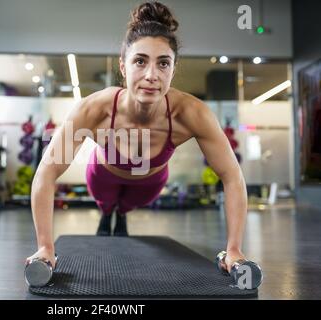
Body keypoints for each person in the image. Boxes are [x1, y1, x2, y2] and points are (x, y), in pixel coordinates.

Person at [27, 1, 248, 274]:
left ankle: (120, 213)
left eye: (163, 63)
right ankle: (108, 212)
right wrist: (45, 246)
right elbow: (46, 173)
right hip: (104, 174)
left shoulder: (191, 113)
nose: (151, 75)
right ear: (123, 66)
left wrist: (235, 248)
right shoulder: (93, 109)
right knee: (105, 202)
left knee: (130, 205)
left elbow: (232, 176)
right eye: (140, 61)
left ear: (173, 70)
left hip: (151, 180)